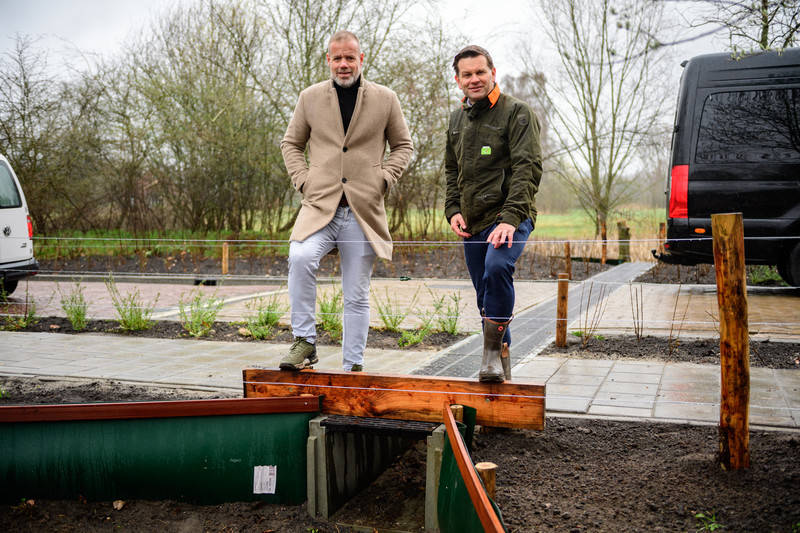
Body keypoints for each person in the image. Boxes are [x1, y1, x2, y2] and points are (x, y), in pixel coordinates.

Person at [280, 31, 413, 372]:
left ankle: (353, 365)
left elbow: (404, 146)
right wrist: (304, 180)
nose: (343, 64)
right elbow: (291, 144)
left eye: (350, 57)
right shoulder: (309, 98)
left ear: (361, 59)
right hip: (319, 206)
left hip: (362, 211)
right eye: (337, 58)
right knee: (300, 256)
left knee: (356, 293)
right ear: (328, 59)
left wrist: (382, 180)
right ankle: (305, 342)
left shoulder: (385, 99)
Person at [444, 45, 542, 383]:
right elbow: (451, 171)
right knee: (485, 293)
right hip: (473, 223)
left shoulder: (517, 113)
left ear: (493, 72)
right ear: (458, 80)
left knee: (497, 268)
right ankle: (502, 369)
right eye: (467, 74)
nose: (474, 79)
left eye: (480, 72)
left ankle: (488, 357)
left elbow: (527, 169)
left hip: (510, 215)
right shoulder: (457, 119)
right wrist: (453, 209)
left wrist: (510, 218)